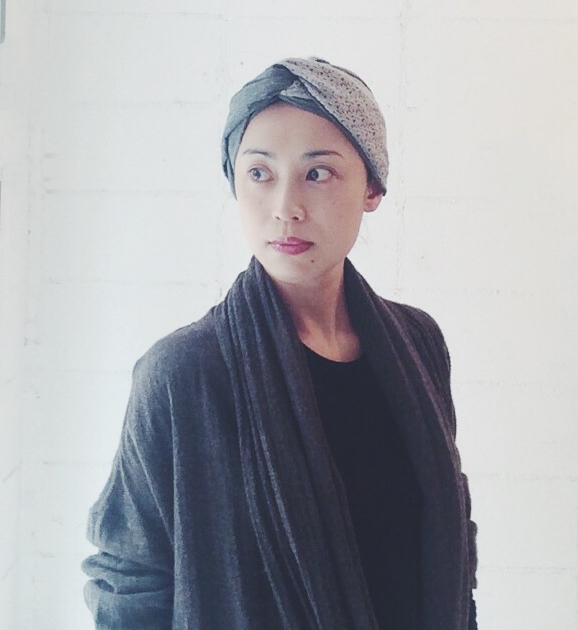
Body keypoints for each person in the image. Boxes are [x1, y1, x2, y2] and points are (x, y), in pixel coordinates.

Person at [82, 57, 478, 630]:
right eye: (259, 173)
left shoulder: (419, 344)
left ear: (372, 187)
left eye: (318, 173)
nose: (286, 207)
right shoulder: (182, 374)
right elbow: (129, 581)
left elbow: (450, 536)